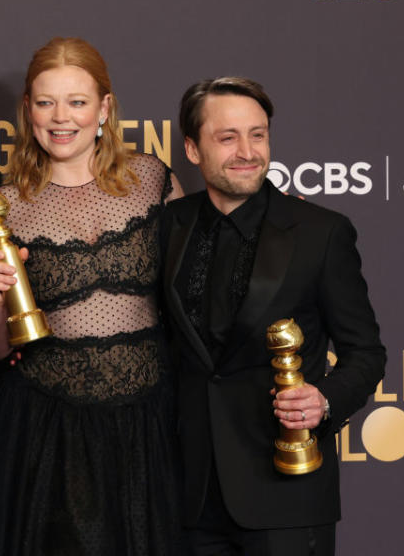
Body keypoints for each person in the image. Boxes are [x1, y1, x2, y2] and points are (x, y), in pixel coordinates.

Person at [0, 37, 184, 555]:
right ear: (27, 110)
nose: (61, 118)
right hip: (45, 431)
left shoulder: (153, 180)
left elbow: (202, 286)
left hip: (146, 426)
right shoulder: (7, 206)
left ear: (105, 108)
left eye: (78, 102)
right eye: (45, 102)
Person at [161, 77, 387, 555]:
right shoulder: (168, 228)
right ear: (192, 148)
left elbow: (365, 353)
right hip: (189, 498)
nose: (247, 151)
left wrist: (323, 401)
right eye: (227, 137)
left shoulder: (320, 233)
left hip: (286, 494)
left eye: (258, 134)